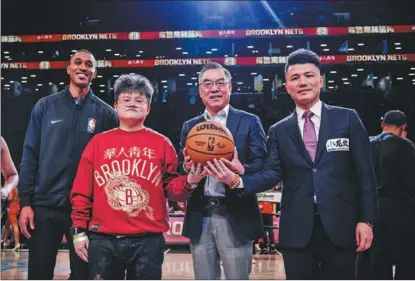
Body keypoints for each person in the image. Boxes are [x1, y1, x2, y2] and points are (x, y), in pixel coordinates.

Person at [209, 49, 377, 279]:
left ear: (320, 80)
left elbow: (366, 175)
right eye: (295, 78)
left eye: (309, 76)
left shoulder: (347, 118)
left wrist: (367, 220)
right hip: (297, 230)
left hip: (342, 227)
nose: (303, 82)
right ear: (287, 86)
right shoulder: (278, 130)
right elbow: (272, 173)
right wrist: (238, 176)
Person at [70, 73, 205, 280]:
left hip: (148, 240)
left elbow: (171, 189)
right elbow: (81, 192)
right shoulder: (97, 143)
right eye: (126, 99)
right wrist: (79, 233)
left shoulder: (162, 144)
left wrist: (190, 181)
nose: (132, 103)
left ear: (148, 109)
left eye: (139, 100)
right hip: (103, 239)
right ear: (115, 105)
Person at [18, 50, 118, 280]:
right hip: (45, 207)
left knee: (84, 275)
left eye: (89, 64)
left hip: (85, 211)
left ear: (95, 73)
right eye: (78, 62)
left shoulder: (106, 114)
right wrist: (26, 202)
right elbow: (30, 154)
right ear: (69, 69)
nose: (83, 67)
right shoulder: (45, 107)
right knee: (39, 274)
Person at [179, 62, 267, 279]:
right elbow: (181, 171)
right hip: (200, 214)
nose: (214, 88)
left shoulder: (250, 121)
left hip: (236, 213)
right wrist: (187, 169)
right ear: (200, 91)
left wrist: (241, 169)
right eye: (207, 84)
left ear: (230, 87)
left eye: (220, 83)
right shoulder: (190, 126)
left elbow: (264, 168)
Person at [368, 110, 415, 279]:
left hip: (371, 210)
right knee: (406, 259)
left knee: (377, 259)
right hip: (400, 210)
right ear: (403, 127)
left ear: (382, 124)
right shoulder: (404, 145)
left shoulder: (367, 144)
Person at [1, 137, 19, 247]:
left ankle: (15, 243)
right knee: (10, 225)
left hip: (12, 208)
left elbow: (12, 175)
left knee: (12, 225)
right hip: (11, 208)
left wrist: (6, 190)